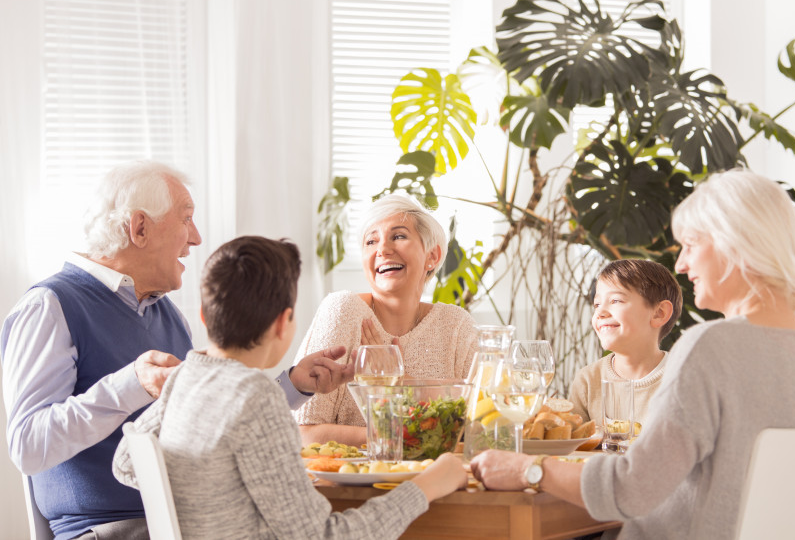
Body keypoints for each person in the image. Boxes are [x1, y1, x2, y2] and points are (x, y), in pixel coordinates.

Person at [471, 169, 795, 540]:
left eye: (691, 245)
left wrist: (528, 469)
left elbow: (631, 489)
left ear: (735, 243)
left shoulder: (713, 347)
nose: (681, 264)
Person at [1, 161, 351, 540]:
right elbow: (27, 446)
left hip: (185, 525)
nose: (197, 237)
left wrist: (294, 384)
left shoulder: (166, 313)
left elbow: (211, 415)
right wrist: (132, 384)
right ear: (140, 228)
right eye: (186, 218)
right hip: (112, 531)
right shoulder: (49, 306)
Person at [112, 236, 467, 538]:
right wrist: (424, 487)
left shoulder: (188, 377)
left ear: (205, 316)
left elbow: (127, 463)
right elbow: (322, 536)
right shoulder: (255, 396)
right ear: (284, 323)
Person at [294, 193, 479, 445]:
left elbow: (481, 427)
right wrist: (398, 436)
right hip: (350, 482)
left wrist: (402, 385)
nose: (382, 249)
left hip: (438, 480)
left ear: (432, 257)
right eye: (371, 241)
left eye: (399, 236)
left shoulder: (455, 325)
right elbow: (303, 434)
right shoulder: (343, 310)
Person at [567, 259, 682, 430]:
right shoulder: (588, 380)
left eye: (615, 301)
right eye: (597, 304)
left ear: (659, 313)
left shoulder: (682, 378)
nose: (600, 312)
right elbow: (572, 447)